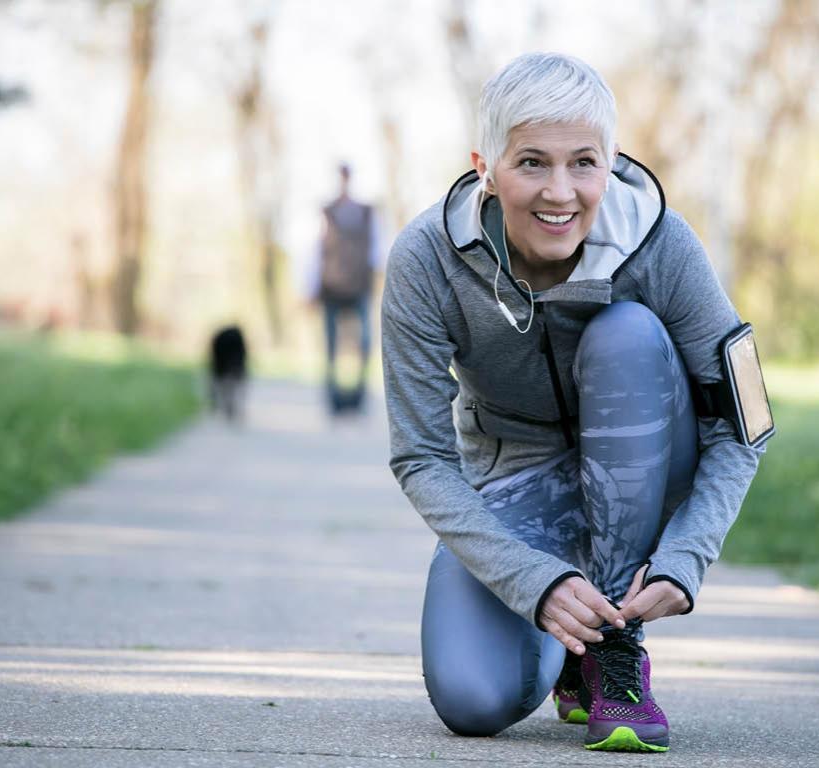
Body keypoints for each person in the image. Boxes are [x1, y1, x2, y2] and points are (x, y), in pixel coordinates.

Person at [381, 53, 771, 753]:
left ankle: (615, 649)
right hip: (514, 479)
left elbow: (744, 424)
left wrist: (687, 556)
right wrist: (534, 581)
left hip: (648, 464)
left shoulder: (663, 245)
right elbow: (421, 458)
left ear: (611, 161)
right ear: (485, 167)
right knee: (472, 700)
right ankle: (569, 648)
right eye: (531, 162)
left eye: (583, 162)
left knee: (625, 333)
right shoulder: (427, 259)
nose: (559, 192)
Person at [314, 164, 380, 415]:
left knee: (364, 343)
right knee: (331, 345)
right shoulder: (326, 212)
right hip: (331, 285)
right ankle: (333, 398)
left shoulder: (367, 213)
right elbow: (315, 249)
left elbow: (376, 249)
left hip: (360, 285)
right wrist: (310, 286)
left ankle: (359, 395)